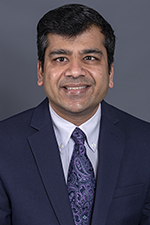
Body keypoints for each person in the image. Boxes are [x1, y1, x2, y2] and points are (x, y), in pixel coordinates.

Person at [0, 4, 150, 225]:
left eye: (90, 57)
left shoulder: (145, 142)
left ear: (110, 72)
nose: (75, 71)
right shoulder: (3, 144)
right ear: (41, 72)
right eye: (61, 58)